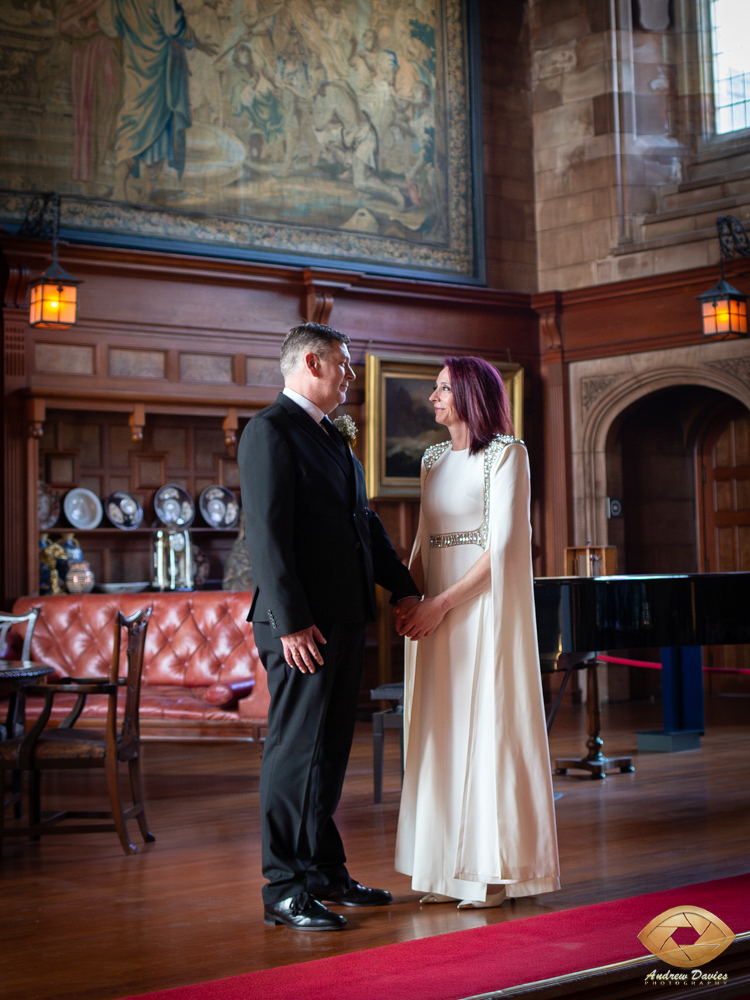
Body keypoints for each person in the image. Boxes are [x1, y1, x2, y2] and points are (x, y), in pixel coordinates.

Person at [239, 322, 421, 932]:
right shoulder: (270, 431)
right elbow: (265, 535)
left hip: (345, 619)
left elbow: (363, 525)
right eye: (345, 365)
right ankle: (283, 889)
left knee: (329, 754)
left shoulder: (335, 439)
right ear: (312, 363)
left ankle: (322, 872)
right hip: (300, 627)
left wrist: (407, 588)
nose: (351, 376)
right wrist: (291, 623)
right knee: (295, 755)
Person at [394, 356, 560, 908]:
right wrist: (406, 600)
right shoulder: (432, 459)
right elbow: (424, 540)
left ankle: (490, 871)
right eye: (435, 389)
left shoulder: (508, 455)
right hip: (434, 616)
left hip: (481, 613)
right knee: (440, 735)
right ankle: (447, 872)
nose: (434, 398)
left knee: (486, 729)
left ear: (469, 394)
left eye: (442, 388)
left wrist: (439, 605)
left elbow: (504, 549)